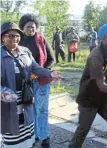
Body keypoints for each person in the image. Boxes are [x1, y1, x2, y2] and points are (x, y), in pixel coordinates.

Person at [1, 21, 61, 148]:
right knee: (13, 134)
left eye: (17, 36)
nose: (15, 38)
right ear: (3, 37)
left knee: (28, 131)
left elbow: (36, 68)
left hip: (26, 97)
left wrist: (50, 73)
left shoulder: (25, 52)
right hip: (9, 100)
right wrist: (3, 91)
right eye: (10, 36)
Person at [19, 13, 54, 148]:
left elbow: (51, 59)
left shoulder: (41, 39)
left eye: (33, 27)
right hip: (26, 82)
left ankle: (45, 138)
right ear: (23, 27)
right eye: (28, 27)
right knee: (31, 109)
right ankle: (34, 136)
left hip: (42, 81)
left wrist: (41, 71)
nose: (31, 30)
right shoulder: (19, 41)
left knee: (42, 110)